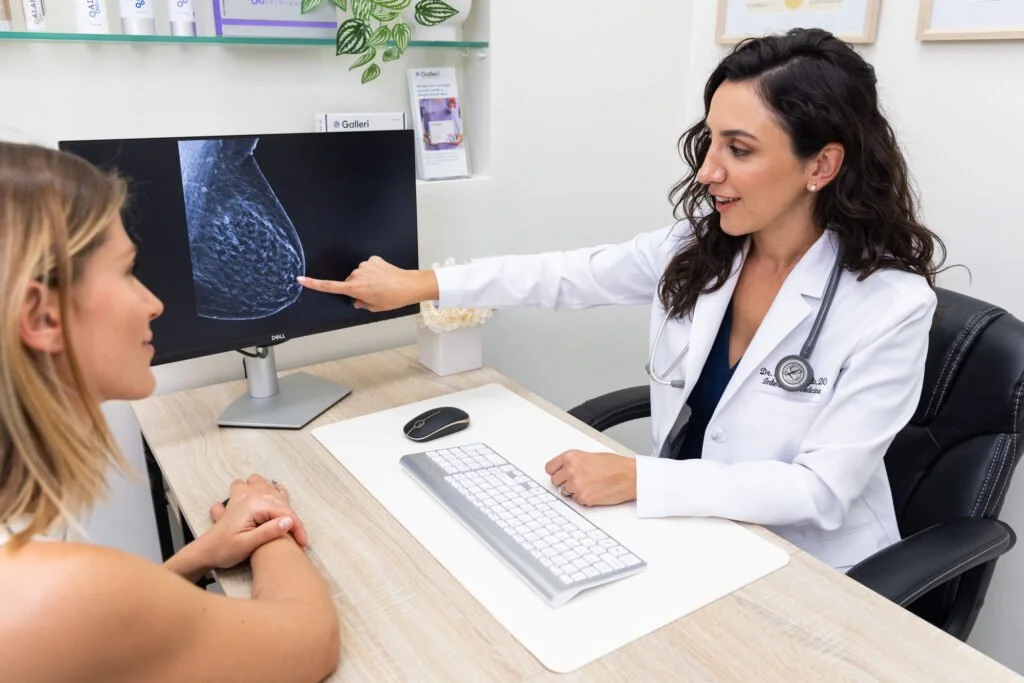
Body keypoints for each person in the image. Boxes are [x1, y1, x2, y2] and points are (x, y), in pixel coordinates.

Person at [298, 28, 947, 572]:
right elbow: (563, 276)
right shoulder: (699, 248)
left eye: (739, 149)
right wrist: (422, 283)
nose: (707, 171)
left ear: (821, 166)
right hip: (691, 535)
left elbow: (821, 491)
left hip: (810, 568)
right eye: (711, 140)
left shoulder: (891, 305)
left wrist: (639, 478)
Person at [0, 142, 340, 682]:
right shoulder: (49, 597)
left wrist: (199, 554)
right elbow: (310, 641)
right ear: (43, 317)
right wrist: (270, 519)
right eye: (127, 272)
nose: (153, 304)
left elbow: (99, 627)